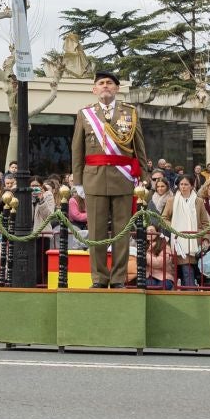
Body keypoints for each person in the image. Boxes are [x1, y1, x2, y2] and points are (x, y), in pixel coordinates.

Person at [71, 70, 146, 287]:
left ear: (117, 88)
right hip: (93, 179)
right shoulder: (85, 115)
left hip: (123, 179)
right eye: (101, 83)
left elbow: (139, 147)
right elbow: (77, 149)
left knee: (122, 233)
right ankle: (99, 278)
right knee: (96, 232)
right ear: (94, 89)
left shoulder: (129, 113)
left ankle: (119, 278)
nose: (106, 86)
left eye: (110, 83)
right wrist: (78, 182)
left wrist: (143, 177)